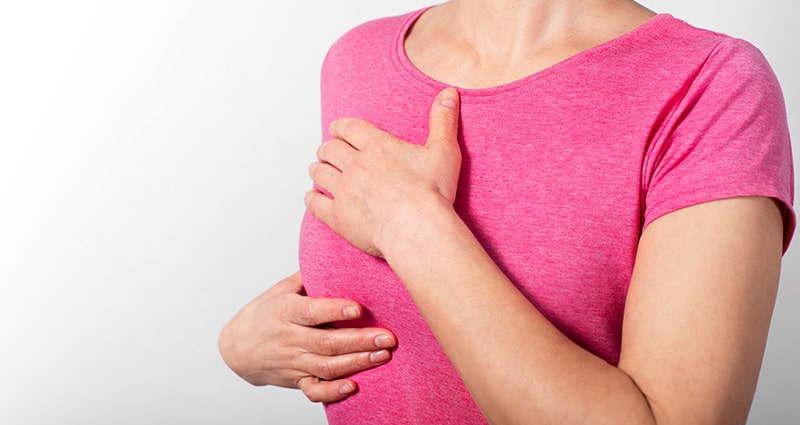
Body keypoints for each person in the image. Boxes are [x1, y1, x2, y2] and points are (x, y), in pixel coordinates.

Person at [219, 1, 795, 423]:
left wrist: (414, 228)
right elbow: (375, 301)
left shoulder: (711, 83)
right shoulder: (357, 58)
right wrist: (250, 346)